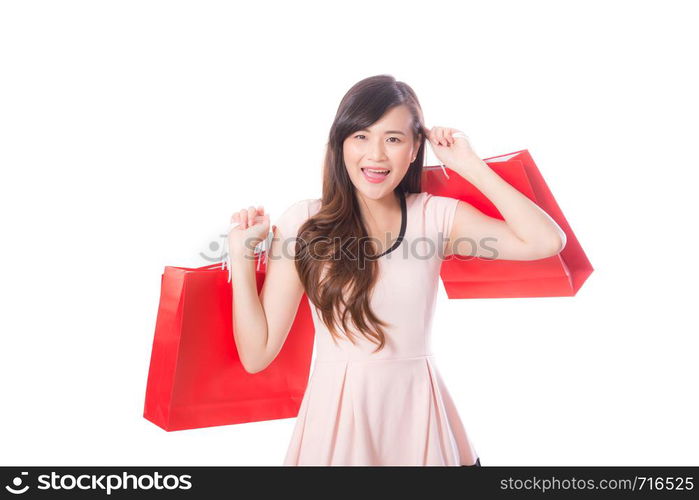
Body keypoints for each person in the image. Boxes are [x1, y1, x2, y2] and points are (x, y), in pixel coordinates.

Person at [227, 75, 566, 466]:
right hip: (337, 424)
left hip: (420, 419)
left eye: (393, 139)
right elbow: (257, 354)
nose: (376, 155)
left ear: (413, 148)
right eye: (360, 136)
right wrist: (241, 253)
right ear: (340, 144)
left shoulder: (434, 216)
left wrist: (468, 165)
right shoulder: (304, 222)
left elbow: (545, 242)